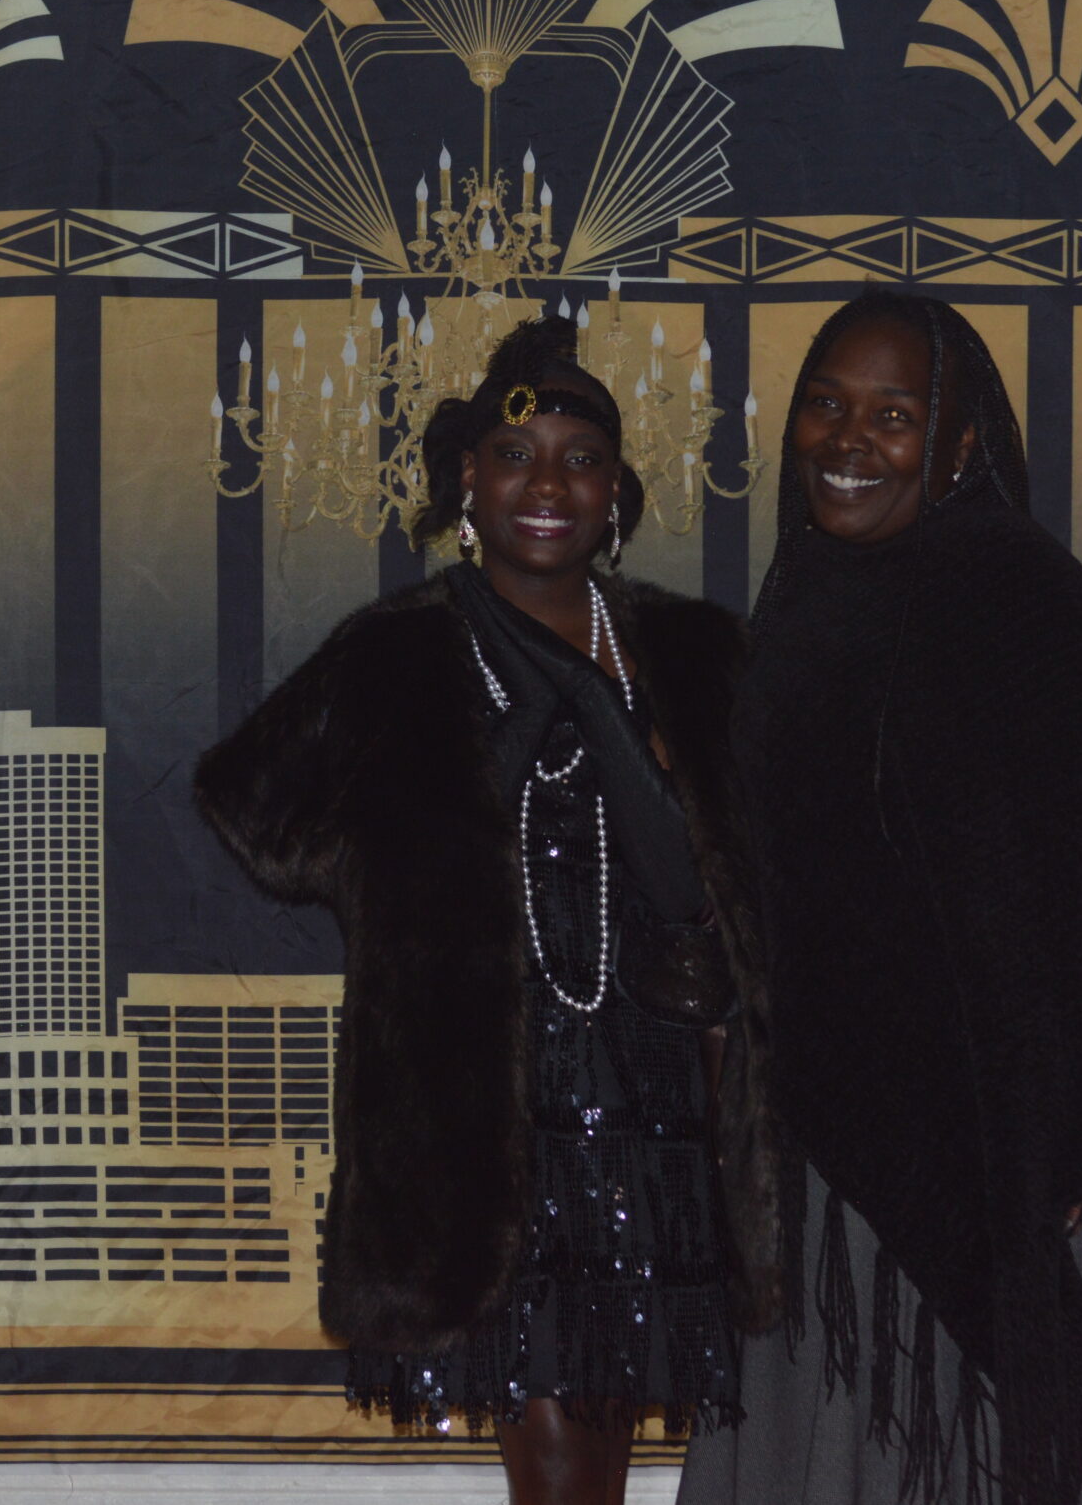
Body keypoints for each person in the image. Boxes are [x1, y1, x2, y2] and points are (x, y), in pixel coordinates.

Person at [680, 291, 1082, 1505]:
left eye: (892, 416)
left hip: (1031, 1139)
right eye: (825, 406)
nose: (848, 440)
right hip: (840, 1135)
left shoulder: (1021, 592)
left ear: (956, 444)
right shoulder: (799, 600)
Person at [195, 317, 781, 1505]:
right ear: (468, 476)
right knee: (558, 1463)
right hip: (483, 1114)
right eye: (516, 456)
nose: (547, 484)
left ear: (616, 490)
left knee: (600, 1454)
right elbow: (249, 804)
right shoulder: (400, 652)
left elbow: (754, 872)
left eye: (580, 459)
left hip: (661, 1104)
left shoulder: (695, 650)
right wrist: (394, 843)